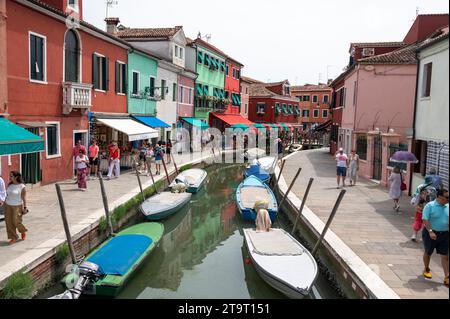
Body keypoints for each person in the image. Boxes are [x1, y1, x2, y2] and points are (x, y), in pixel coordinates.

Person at [421, 189, 449, 287]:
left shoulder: (448, 206)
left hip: (445, 234)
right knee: (428, 252)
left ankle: (447, 276)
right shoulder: (430, 206)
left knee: (445, 255)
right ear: (439, 197)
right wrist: (430, 231)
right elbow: (425, 219)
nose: (448, 199)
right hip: (431, 233)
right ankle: (426, 268)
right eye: (447, 197)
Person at [4, 171, 28, 245]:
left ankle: (23, 231)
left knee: (16, 221)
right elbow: (7, 195)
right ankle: (13, 237)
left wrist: (25, 207)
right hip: (8, 205)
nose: (9, 177)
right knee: (9, 222)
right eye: (10, 176)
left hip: (17, 206)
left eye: (11, 176)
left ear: (16, 177)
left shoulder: (22, 186)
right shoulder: (10, 185)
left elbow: (24, 198)